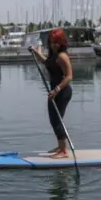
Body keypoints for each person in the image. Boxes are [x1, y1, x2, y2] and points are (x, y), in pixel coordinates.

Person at [28, 28, 74, 159]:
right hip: (54, 91)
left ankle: (64, 151)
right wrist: (35, 52)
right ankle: (60, 146)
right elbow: (46, 62)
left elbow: (69, 76)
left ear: (62, 43)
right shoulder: (53, 55)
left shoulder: (62, 56)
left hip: (62, 91)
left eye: (57, 42)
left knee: (57, 120)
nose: (55, 45)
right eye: (52, 42)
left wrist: (57, 90)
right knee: (54, 120)